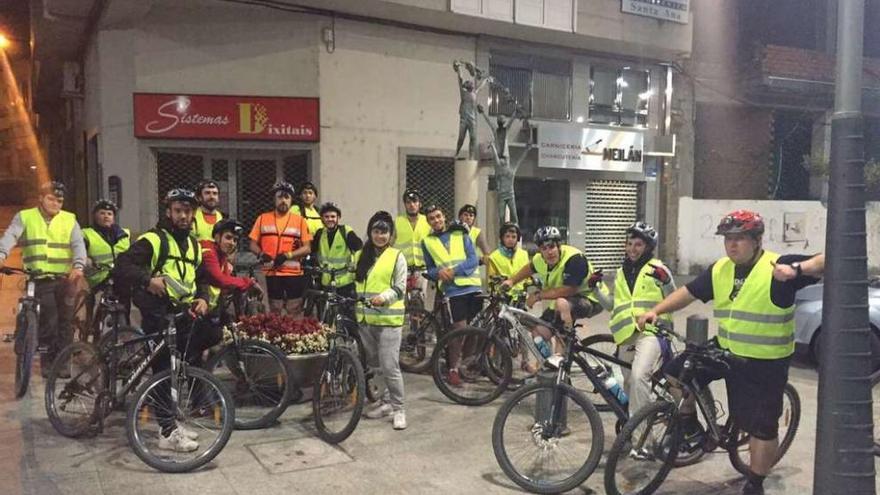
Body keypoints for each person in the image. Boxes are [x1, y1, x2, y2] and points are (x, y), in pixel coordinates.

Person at [637, 210, 823, 495]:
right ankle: (690, 425)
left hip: (765, 361)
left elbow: (829, 259)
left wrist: (798, 270)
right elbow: (688, 292)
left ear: (757, 239)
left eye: (739, 238)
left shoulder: (778, 265)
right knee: (675, 372)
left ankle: (755, 481)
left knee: (762, 426)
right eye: (727, 239)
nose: (732, 245)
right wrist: (656, 311)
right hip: (725, 350)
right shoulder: (720, 268)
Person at [113, 188, 218, 452]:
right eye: (178, 211)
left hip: (181, 311)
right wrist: (148, 279)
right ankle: (167, 430)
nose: (183, 216)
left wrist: (203, 297)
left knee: (196, 347)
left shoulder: (193, 244)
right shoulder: (154, 239)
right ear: (169, 212)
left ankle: (171, 419)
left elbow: (202, 277)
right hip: (156, 310)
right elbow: (123, 265)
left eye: (187, 211)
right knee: (163, 368)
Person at [589, 222, 675, 455]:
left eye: (638, 244)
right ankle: (643, 422)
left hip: (652, 332)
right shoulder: (620, 272)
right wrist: (596, 289)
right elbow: (613, 306)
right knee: (629, 386)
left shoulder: (658, 268)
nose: (632, 249)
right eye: (629, 244)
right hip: (627, 334)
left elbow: (674, 297)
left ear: (648, 247)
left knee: (638, 377)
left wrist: (666, 282)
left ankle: (641, 442)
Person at [0, 181, 86, 375]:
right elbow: (10, 236)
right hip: (39, 278)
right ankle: (48, 361)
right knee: (49, 319)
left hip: (64, 278)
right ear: (41, 198)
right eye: (51, 199)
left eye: (60, 201)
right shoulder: (25, 217)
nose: (56, 204)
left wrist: (79, 265)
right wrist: (2, 254)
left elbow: (78, 244)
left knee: (66, 321)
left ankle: (62, 363)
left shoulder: (69, 219)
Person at [501, 226, 604, 360]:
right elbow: (529, 268)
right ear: (540, 251)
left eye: (552, 247)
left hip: (591, 299)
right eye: (544, 248)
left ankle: (562, 352)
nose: (549, 252)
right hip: (563, 301)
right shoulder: (540, 259)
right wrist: (511, 281)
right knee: (538, 332)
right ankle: (549, 366)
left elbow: (569, 290)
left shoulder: (574, 258)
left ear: (559, 246)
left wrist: (538, 296)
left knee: (561, 308)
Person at [356, 211, 408, 430]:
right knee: (376, 366)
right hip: (365, 320)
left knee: (390, 366)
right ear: (370, 232)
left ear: (390, 234)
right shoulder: (361, 256)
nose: (380, 236)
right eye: (376, 232)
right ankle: (385, 402)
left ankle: (399, 409)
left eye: (384, 232)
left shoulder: (397, 256)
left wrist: (383, 298)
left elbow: (400, 287)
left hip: (388, 320)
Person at [421, 205, 481, 386]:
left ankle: (466, 366)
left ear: (444, 217)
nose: (436, 220)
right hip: (453, 292)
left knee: (474, 331)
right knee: (459, 330)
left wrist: (454, 271)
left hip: (473, 288)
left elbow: (473, 259)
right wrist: (438, 273)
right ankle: (453, 369)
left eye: (438, 216)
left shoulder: (460, 234)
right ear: (428, 221)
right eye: (432, 218)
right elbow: (429, 268)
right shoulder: (427, 242)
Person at [249, 182, 312, 317]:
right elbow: (252, 244)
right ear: (274, 199)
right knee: (273, 310)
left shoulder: (300, 220)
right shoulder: (262, 219)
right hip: (271, 273)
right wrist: (261, 254)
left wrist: (287, 255)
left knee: (294, 309)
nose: (283, 200)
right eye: (280, 197)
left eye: (287, 197)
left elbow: (307, 248)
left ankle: (294, 337)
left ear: (291, 200)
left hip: (293, 274)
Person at [82, 199, 131, 330]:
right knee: (97, 304)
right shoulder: (87, 234)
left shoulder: (124, 234)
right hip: (98, 278)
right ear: (95, 216)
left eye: (109, 213)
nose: (106, 216)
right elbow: (80, 251)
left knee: (125, 305)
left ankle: (125, 332)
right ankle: (91, 328)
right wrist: (86, 259)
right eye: (102, 213)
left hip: (120, 277)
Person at [198, 219, 261, 316]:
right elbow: (220, 280)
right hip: (195, 306)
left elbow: (228, 285)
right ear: (217, 237)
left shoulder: (222, 255)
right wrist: (249, 282)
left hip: (208, 308)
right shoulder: (208, 252)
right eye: (228, 238)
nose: (232, 243)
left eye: (235, 240)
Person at [311, 202, 363, 297]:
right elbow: (312, 251)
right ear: (322, 218)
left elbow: (359, 249)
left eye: (333, 216)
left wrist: (356, 265)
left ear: (338, 218)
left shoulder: (345, 231)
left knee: (345, 310)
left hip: (345, 282)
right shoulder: (320, 234)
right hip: (326, 281)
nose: (330, 219)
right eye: (326, 217)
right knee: (324, 310)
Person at [486, 222, 529, 294]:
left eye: (514, 237)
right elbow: (491, 281)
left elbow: (528, 277)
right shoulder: (494, 257)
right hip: (503, 298)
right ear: (502, 238)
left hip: (521, 297)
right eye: (507, 236)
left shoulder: (524, 254)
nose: (510, 239)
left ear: (518, 238)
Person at [393, 188, 431, 269]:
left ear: (420, 204)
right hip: (402, 268)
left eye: (415, 201)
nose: (412, 205)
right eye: (408, 202)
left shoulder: (428, 221)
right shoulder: (396, 222)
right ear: (404, 205)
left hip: (423, 269)